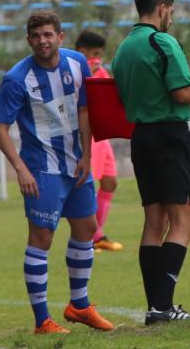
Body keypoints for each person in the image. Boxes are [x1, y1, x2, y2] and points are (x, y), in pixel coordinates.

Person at [111, 0, 190, 325]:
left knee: (154, 221)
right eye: (171, 12)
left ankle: (157, 307)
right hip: (170, 137)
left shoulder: (124, 48)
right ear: (162, 8)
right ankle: (162, 307)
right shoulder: (162, 42)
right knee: (183, 220)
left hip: (142, 138)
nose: (171, 19)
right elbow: (181, 93)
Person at [0, 12, 114, 334]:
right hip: (41, 169)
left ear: (60, 37)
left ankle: (80, 306)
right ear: (28, 39)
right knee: (42, 238)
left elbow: (85, 109)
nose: (42, 40)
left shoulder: (77, 63)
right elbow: (0, 128)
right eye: (36, 36)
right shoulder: (17, 79)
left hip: (77, 165)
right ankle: (42, 321)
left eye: (48, 34)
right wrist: (20, 169)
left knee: (87, 228)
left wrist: (88, 155)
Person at [74, 31, 123, 252]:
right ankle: (89, 238)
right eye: (93, 54)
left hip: (101, 135)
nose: (97, 59)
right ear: (81, 52)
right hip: (86, 136)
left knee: (110, 182)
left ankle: (97, 235)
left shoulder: (101, 72)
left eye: (99, 55)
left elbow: (110, 98)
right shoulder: (70, 70)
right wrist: (87, 76)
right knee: (88, 184)